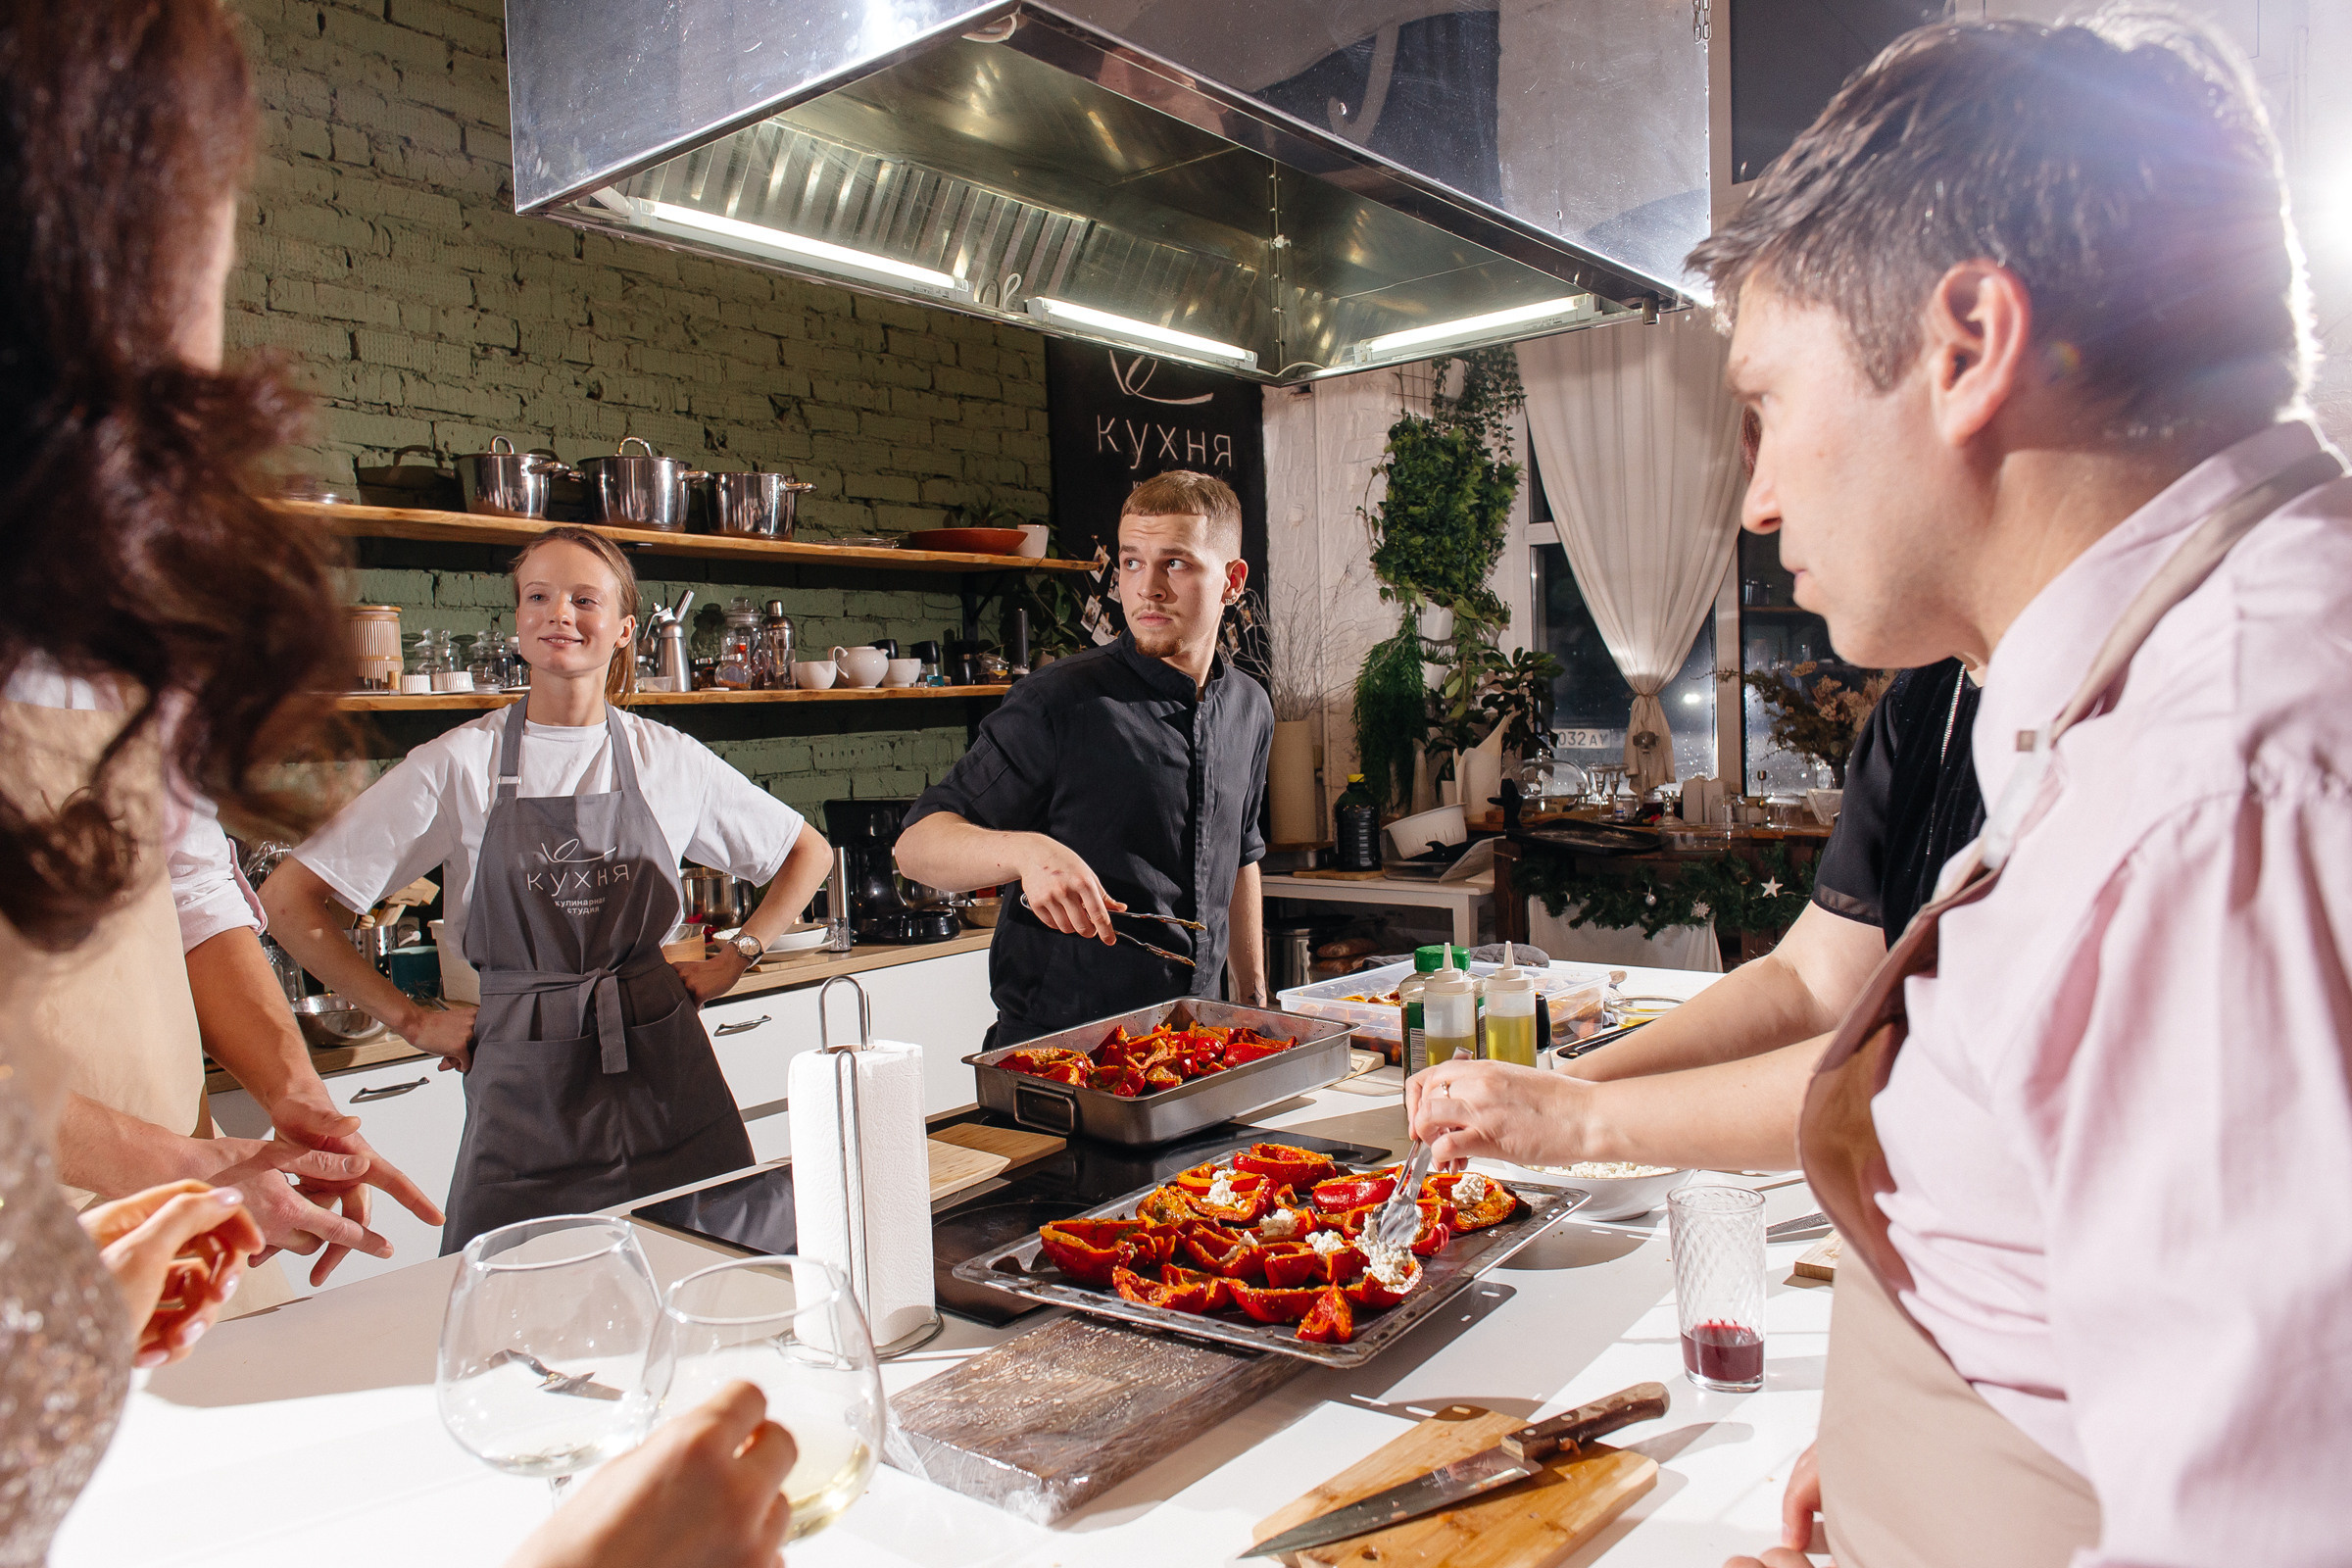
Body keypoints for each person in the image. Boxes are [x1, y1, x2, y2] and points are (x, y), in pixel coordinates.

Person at [1422, 16, 2351, 1568]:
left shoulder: (2227, 788)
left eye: (1769, 403)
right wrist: (1907, 1446)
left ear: (1968, 346)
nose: (1760, 489)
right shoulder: (2152, 690)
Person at [0, 5, 796, 1564]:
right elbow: (304, 898)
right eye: (198, 232)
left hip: (124, 1256)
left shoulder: (93, 601)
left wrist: (285, 1100)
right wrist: (410, 1031)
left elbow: (190, 879)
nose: (211, 334)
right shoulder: (454, 762)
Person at [263, 527, 831, 1250]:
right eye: (539, 596)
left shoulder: (668, 760)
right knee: (512, 1295)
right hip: (527, 1079)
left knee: (710, 1268)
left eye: (584, 599)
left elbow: (806, 852)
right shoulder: (459, 764)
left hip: (664, 1063)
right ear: (520, 622)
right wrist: (411, 1019)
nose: (560, 613)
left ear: (624, 631)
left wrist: (740, 953)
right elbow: (287, 900)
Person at [1505, 657, 1986, 1175]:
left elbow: (1952, 1062)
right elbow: (1807, 985)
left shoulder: (2080, 735)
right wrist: (1564, 1087)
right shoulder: (1922, 702)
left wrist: (1579, 1117)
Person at [893, 470, 1273, 1043]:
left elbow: (1241, 856)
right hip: (1061, 1053)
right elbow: (916, 847)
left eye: (1176, 563)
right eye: (1131, 562)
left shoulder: (1250, 707)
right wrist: (1026, 851)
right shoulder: (1057, 703)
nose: (1147, 589)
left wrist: (1254, 1008)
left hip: (1197, 1044)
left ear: (1232, 581)